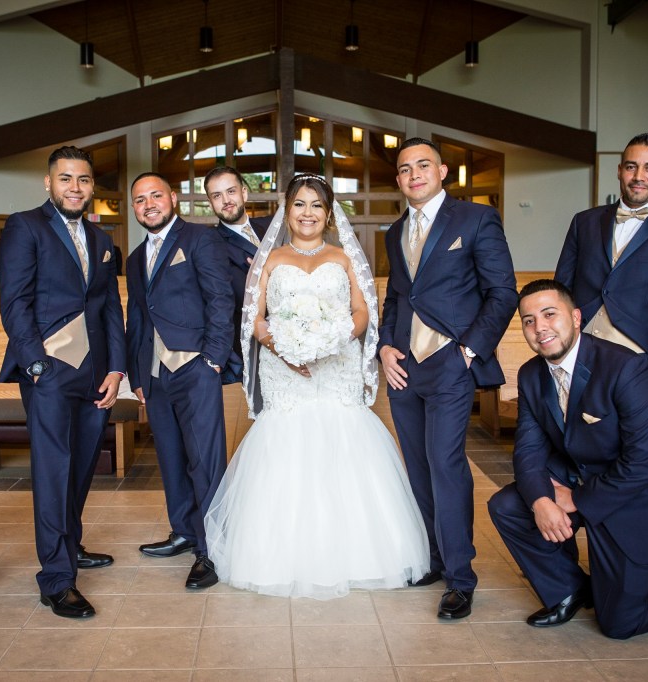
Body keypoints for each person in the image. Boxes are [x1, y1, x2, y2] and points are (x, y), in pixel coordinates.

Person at [205, 174, 430, 599]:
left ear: (328, 215)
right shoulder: (268, 260)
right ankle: (280, 557)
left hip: (337, 366)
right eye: (299, 205)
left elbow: (363, 311)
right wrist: (286, 348)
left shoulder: (345, 258)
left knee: (342, 446)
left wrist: (336, 339)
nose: (307, 213)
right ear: (286, 210)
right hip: (284, 370)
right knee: (286, 449)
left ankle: (359, 556)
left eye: (316, 206)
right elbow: (253, 319)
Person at [488, 279, 648, 639]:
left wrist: (574, 499)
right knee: (508, 505)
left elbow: (644, 462)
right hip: (579, 478)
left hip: (636, 499)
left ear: (576, 316)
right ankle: (569, 589)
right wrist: (540, 501)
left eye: (549, 314)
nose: (540, 328)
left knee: (620, 623)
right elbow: (528, 449)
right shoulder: (530, 375)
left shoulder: (626, 368)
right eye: (529, 320)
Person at [378, 137, 517, 619]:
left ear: (442, 172)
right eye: (404, 169)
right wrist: (384, 346)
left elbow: (503, 292)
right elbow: (397, 298)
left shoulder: (476, 219)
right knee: (417, 467)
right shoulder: (393, 232)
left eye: (422, 165)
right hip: (404, 368)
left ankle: (461, 577)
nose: (413, 174)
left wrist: (467, 352)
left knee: (445, 463)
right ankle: (433, 560)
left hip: (450, 362)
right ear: (397, 180)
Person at [0, 145, 126, 619]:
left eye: (84, 180)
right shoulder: (24, 227)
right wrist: (35, 366)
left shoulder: (100, 238)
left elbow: (110, 306)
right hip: (49, 374)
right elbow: (14, 303)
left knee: (82, 468)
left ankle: (69, 546)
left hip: (96, 376)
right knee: (54, 473)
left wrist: (116, 370)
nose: (76, 187)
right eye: (66, 179)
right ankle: (56, 578)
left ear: (93, 186)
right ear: (48, 183)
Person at [126, 172, 233, 589]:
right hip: (153, 373)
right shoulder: (135, 257)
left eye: (156, 195)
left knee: (205, 460)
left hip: (195, 366)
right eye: (139, 200)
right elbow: (137, 314)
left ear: (173, 197)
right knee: (169, 457)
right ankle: (185, 531)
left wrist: (214, 358)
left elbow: (220, 299)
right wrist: (136, 373)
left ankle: (211, 549)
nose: (149, 204)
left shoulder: (201, 239)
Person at [555, 132, 648, 387]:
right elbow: (561, 289)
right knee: (569, 425)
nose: (638, 177)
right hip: (577, 347)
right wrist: (560, 344)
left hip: (637, 357)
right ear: (619, 170)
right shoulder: (584, 221)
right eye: (631, 167)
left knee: (625, 428)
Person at [204, 166, 271, 381]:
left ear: (244, 192)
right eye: (217, 195)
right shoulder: (210, 245)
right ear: (210, 202)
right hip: (252, 346)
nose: (226, 200)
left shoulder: (272, 228)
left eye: (231, 191)